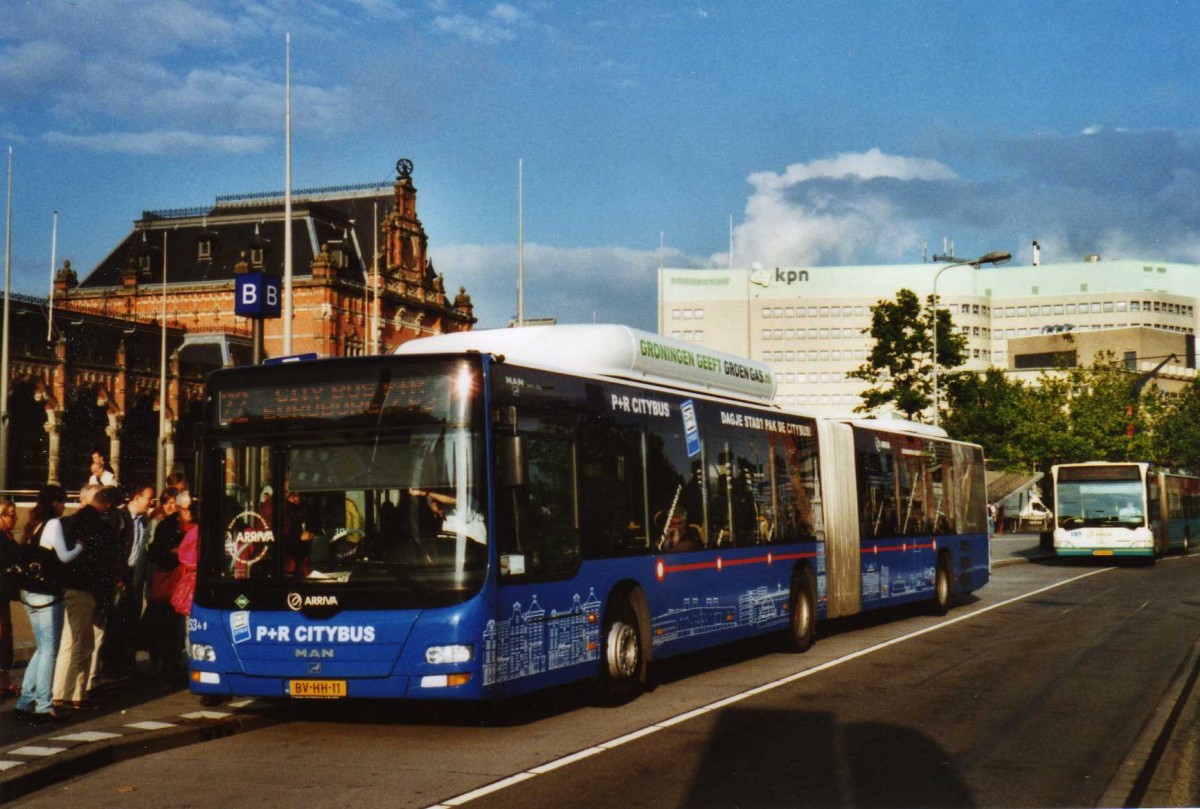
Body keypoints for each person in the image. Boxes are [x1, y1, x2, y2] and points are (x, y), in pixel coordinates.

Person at [13, 485, 77, 723]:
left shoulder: (34, 525)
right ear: (54, 503)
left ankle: (25, 701)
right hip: (47, 595)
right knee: (49, 651)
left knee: (42, 649)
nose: (64, 506)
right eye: (62, 501)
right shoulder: (53, 524)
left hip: (30, 593)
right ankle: (43, 705)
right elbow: (64, 556)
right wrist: (80, 547)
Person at [52, 484, 119, 711]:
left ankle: (59, 692)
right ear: (107, 505)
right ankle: (75, 696)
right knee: (84, 645)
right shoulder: (102, 528)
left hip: (68, 588)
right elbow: (106, 564)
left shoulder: (67, 522)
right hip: (87, 591)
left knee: (68, 642)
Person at [98, 482, 155, 680]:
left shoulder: (145, 520)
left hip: (135, 577)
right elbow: (111, 549)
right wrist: (117, 576)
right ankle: (110, 665)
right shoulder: (118, 517)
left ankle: (127, 664)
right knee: (115, 621)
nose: (151, 502)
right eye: (149, 498)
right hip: (119, 577)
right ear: (136, 497)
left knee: (132, 620)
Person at [0, 500, 21, 698]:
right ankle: (3, 681)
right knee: (2, 637)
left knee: (6, 637)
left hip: (4, 595)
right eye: (11, 515)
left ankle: (4, 680)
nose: (15, 519)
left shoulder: (8, 536)